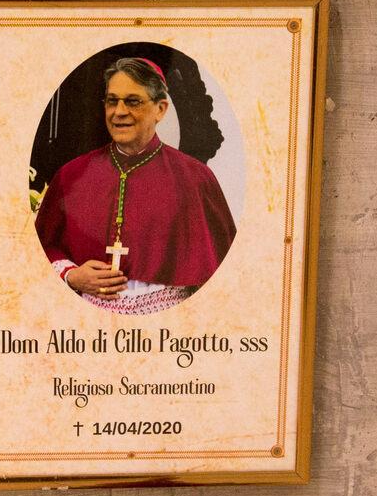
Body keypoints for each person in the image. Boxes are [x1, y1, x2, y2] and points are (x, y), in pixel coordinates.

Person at [36, 57, 236, 314]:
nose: (119, 112)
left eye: (133, 101)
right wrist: (71, 275)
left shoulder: (195, 178)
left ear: (160, 109)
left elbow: (222, 274)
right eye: (112, 101)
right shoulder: (72, 174)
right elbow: (40, 248)